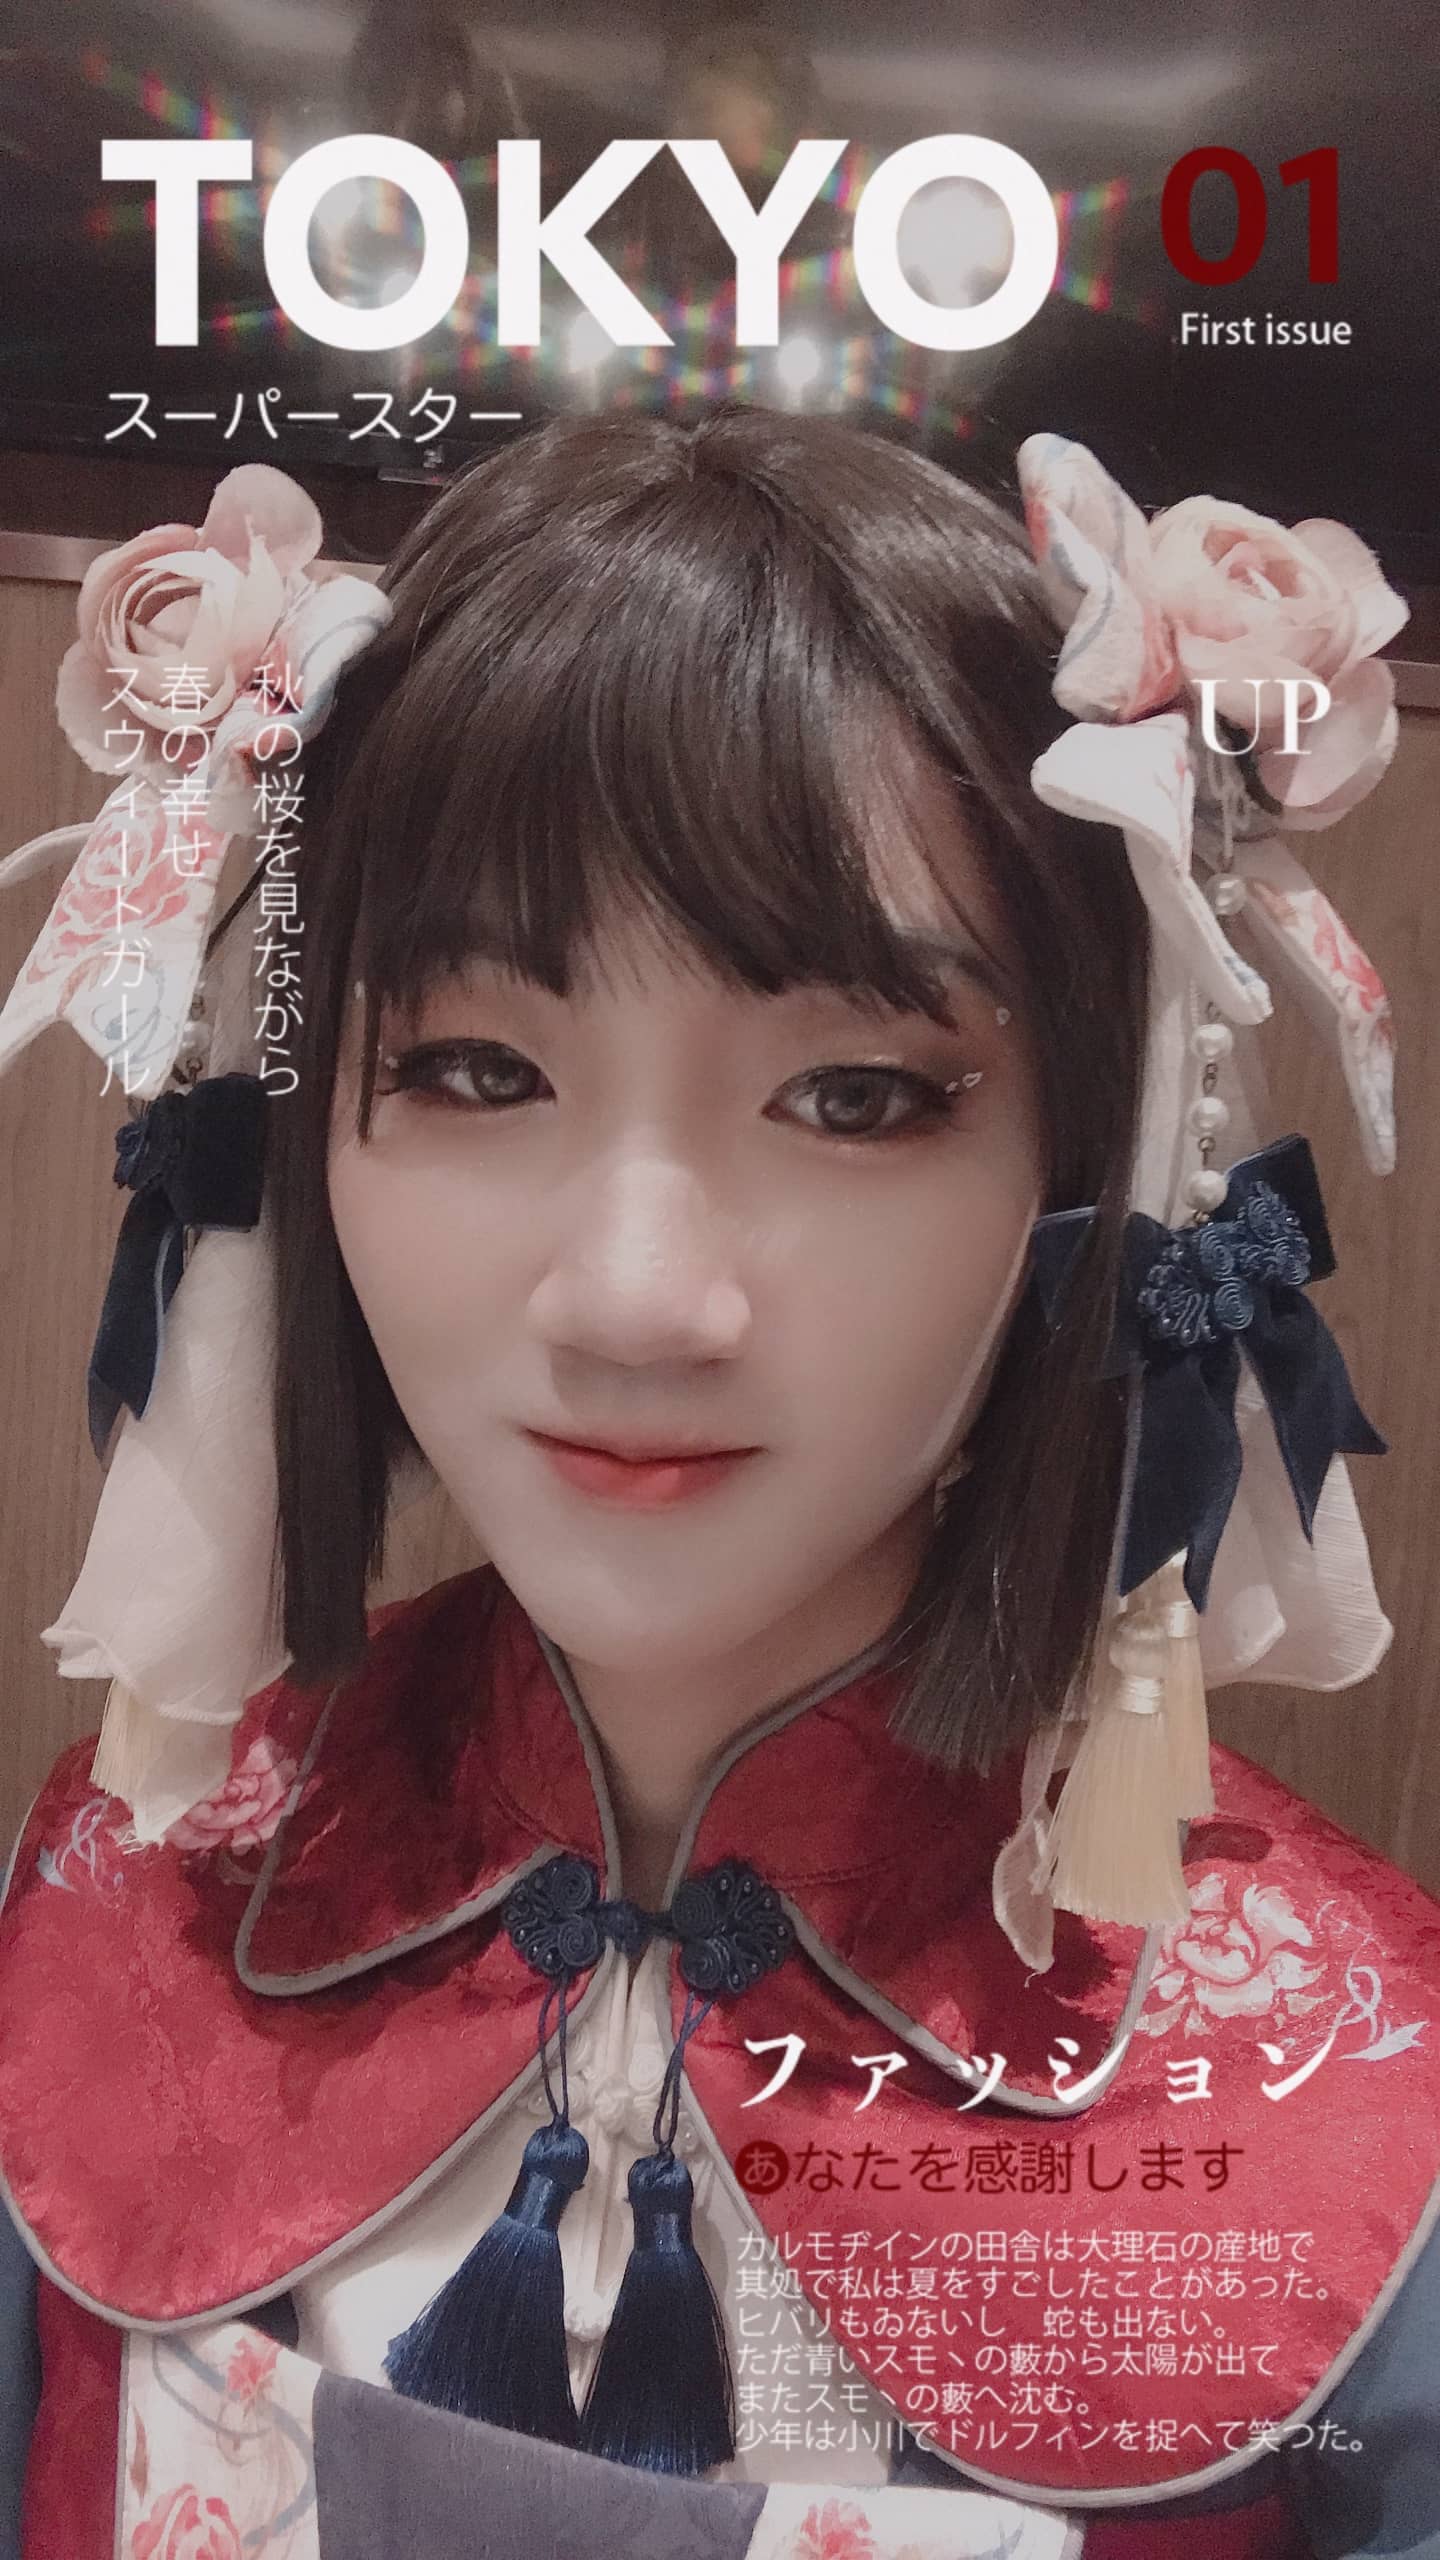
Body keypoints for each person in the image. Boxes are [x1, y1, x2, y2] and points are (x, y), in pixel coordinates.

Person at [0, 409, 1435, 2560]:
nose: (637, 1296)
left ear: (1103, 1168)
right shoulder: (116, 1911)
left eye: (855, 1095)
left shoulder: (1351, 2094)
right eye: (474, 1068)